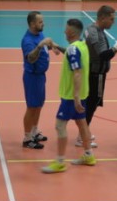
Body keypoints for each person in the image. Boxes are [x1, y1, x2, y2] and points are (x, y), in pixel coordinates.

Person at [41, 19, 95, 173]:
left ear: (71, 32)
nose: (64, 31)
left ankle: (59, 162)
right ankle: (89, 155)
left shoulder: (73, 49)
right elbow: (71, 54)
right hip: (82, 93)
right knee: (82, 123)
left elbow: (77, 72)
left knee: (60, 126)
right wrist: (56, 45)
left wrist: (75, 97)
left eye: (66, 29)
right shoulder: (82, 45)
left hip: (72, 96)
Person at [81, 5, 117, 148]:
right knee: (91, 104)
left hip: (93, 73)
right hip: (96, 74)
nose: (113, 22)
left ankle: (84, 132)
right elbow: (103, 55)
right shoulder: (95, 33)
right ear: (102, 18)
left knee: (90, 103)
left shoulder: (93, 29)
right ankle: (82, 136)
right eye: (111, 19)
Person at [21, 11, 60, 149]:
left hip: (41, 76)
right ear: (32, 24)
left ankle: (34, 131)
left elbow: (46, 44)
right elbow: (31, 58)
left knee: (38, 105)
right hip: (32, 77)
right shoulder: (28, 40)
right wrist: (39, 46)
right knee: (31, 107)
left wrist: (52, 46)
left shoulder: (39, 34)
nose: (43, 24)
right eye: (40, 22)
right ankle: (27, 138)